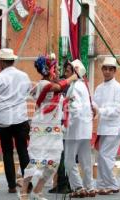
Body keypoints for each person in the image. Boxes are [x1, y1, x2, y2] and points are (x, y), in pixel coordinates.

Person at [19, 55, 78, 200]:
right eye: (56, 68)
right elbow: (56, 87)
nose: (58, 71)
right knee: (36, 160)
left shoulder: (51, 86)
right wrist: (71, 78)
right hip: (41, 129)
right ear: (48, 70)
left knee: (54, 161)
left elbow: (57, 100)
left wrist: (67, 101)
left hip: (54, 130)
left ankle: (38, 190)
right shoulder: (43, 84)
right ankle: (24, 192)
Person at [0, 48, 32, 193]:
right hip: (20, 117)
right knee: (23, 151)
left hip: (3, 118)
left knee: (7, 152)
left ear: (1, 62)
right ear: (12, 60)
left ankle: (11, 185)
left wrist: (2, 102)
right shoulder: (24, 75)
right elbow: (28, 93)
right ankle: (28, 184)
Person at [93, 57, 120, 195]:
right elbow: (94, 105)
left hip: (115, 127)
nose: (107, 71)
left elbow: (118, 109)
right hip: (103, 127)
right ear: (102, 70)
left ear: (115, 71)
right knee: (101, 156)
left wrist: (100, 111)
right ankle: (101, 184)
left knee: (106, 156)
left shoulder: (119, 88)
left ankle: (112, 184)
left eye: (110, 69)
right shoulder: (99, 88)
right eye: (105, 69)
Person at [64, 59, 96, 198]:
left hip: (74, 130)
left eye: (67, 71)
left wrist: (67, 125)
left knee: (69, 160)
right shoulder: (84, 86)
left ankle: (78, 187)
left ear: (74, 72)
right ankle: (89, 187)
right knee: (85, 160)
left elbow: (74, 108)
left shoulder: (74, 87)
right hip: (85, 128)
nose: (65, 73)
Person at [48, 61, 73, 194]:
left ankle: (64, 183)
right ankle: (62, 182)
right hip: (58, 124)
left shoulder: (71, 86)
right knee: (60, 154)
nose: (64, 74)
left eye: (67, 72)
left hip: (65, 125)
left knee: (63, 154)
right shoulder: (65, 84)